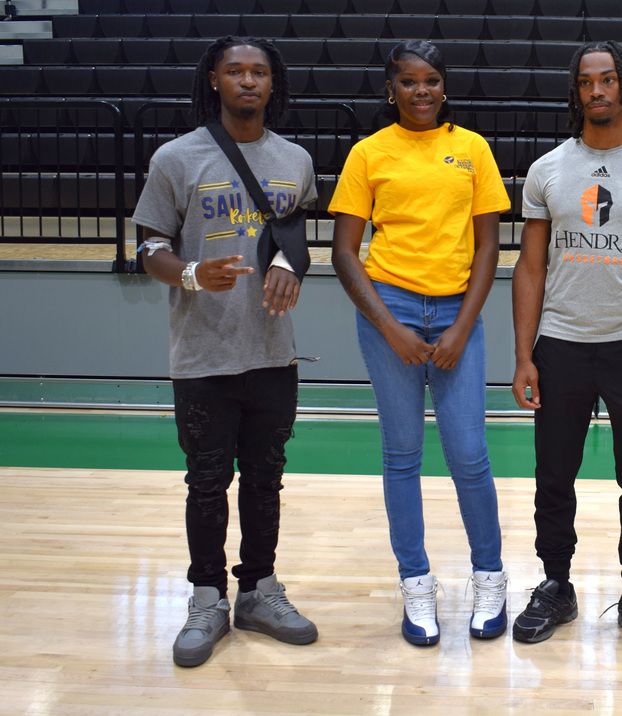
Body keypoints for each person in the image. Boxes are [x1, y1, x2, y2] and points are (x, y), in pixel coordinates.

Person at [132, 36, 319, 667]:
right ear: (213, 78)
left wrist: (293, 263)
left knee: (266, 479)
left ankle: (259, 590)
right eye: (235, 70)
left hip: (273, 352)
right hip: (203, 354)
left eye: (258, 72)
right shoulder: (176, 158)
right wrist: (188, 273)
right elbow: (146, 246)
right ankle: (207, 597)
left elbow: (295, 233)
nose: (247, 81)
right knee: (207, 483)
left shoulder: (294, 157)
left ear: (272, 83)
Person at [511, 40, 622, 656]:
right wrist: (523, 354)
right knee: (553, 477)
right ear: (576, 91)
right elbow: (530, 268)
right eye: (587, 81)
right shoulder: (548, 170)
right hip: (561, 345)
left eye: (608, 79)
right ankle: (557, 585)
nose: (597, 90)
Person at [329, 40, 511, 646]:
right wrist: (390, 326)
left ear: (444, 87)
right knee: (402, 454)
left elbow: (488, 246)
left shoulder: (471, 149)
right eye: (409, 81)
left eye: (432, 80)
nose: (422, 90)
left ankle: (490, 578)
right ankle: (416, 584)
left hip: (458, 311)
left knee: (469, 454)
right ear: (391, 90)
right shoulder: (368, 153)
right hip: (392, 310)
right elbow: (344, 252)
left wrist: (461, 326)